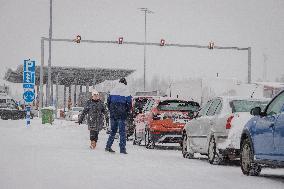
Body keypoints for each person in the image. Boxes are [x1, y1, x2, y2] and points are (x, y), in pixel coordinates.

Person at [105, 78, 132, 154]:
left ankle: (108, 146)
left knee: (113, 131)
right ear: (125, 83)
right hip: (122, 114)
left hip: (113, 114)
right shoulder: (126, 91)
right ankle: (122, 149)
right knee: (122, 132)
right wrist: (126, 112)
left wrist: (111, 110)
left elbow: (108, 102)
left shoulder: (113, 90)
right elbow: (129, 104)